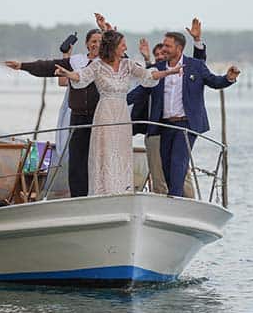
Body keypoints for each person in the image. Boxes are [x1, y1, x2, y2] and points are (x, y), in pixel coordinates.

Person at [55, 30, 181, 196]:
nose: (125, 48)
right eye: (122, 45)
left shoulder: (128, 65)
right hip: (104, 114)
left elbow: (149, 75)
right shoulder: (97, 65)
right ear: (113, 47)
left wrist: (170, 72)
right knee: (105, 152)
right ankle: (102, 190)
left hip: (122, 115)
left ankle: (121, 190)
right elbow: (81, 76)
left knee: (121, 152)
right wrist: (67, 73)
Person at [138, 31, 241, 197]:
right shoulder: (158, 68)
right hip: (164, 125)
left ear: (178, 48)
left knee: (178, 164)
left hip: (186, 124)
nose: (163, 49)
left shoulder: (195, 66)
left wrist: (228, 78)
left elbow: (214, 81)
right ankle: (175, 198)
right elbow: (140, 89)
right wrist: (117, 100)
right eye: (163, 45)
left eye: (167, 46)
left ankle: (175, 200)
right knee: (166, 166)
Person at [5, 29, 102, 197]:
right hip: (78, 117)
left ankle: (99, 194)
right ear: (87, 44)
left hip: (100, 117)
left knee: (97, 158)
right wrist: (23, 66)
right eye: (93, 41)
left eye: (100, 41)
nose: (96, 44)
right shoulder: (76, 61)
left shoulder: (108, 62)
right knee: (76, 161)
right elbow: (49, 67)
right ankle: (78, 198)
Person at [130, 19, 207, 196]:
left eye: (164, 50)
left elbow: (198, 65)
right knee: (160, 173)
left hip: (179, 126)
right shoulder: (154, 71)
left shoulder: (187, 67)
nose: (161, 55)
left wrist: (197, 41)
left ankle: (185, 202)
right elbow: (145, 81)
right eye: (157, 54)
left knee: (180, 169)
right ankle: (165, 201)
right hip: (155, 128)